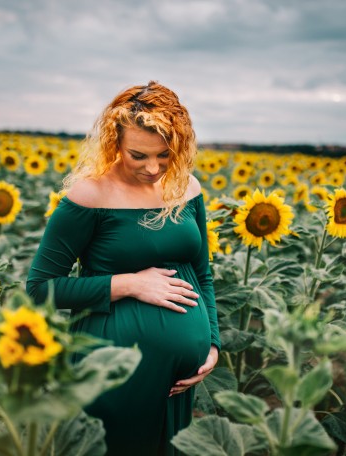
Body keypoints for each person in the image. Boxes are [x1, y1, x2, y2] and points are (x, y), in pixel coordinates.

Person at [26, 81, 220, 455]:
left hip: (176, 384)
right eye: (138, 155)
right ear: (114, 142)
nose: (153, 168)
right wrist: (128, 284)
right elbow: (40, 288)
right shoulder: (89, 195)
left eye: (164, 155)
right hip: (111, 370)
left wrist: (212, 344)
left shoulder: (188, 187)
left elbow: (202, 274)